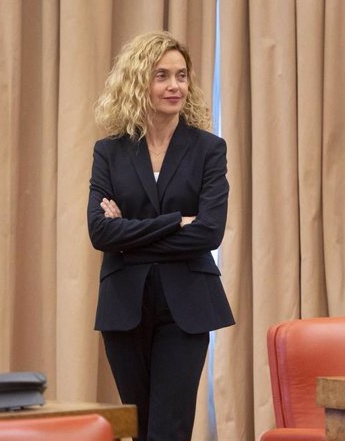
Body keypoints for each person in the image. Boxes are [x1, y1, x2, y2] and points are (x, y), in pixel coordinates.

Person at [87, 31, 235, 441]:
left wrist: (129, 234)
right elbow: (100, 231)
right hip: (124, 304)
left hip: (186, 305)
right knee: (138, 426)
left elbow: (209, 232)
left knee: (168, 429)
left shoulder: (209, 149)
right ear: (138, 83)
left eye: (182, 76)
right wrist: (174, 222)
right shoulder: (110, 152)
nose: (175, 86)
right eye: (162, 76)